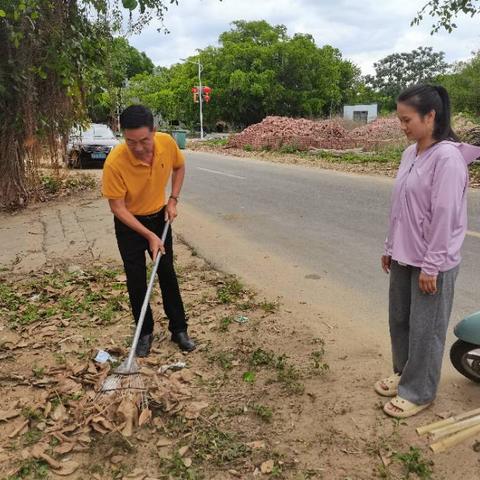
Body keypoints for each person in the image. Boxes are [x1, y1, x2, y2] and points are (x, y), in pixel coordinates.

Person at [376, 85, 480, 418]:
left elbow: (445, 218)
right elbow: (401, 207)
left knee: (426, 329)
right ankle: (403, 373)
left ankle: (420, 391)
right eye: (399, 119)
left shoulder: (447, 159)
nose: (402, 126)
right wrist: (390, 247)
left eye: (407, 119)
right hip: (404, 256)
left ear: (430, 116)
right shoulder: (411, 154)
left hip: (432, 262)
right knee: (401, 321)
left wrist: (432, 267)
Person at [102, 105, 195, 356]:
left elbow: (179, 167)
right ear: (123, 136)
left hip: (159, 218)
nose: (139, 147)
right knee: (136, 279)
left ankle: (179, 330)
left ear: (153, 131)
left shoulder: (166, 143)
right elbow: (118, 208)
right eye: (131, 142)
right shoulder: (115, 163)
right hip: (130, 224)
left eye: (144, 140)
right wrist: (149, 235)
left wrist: (173, 199)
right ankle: (144, 332)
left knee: (166, 273)